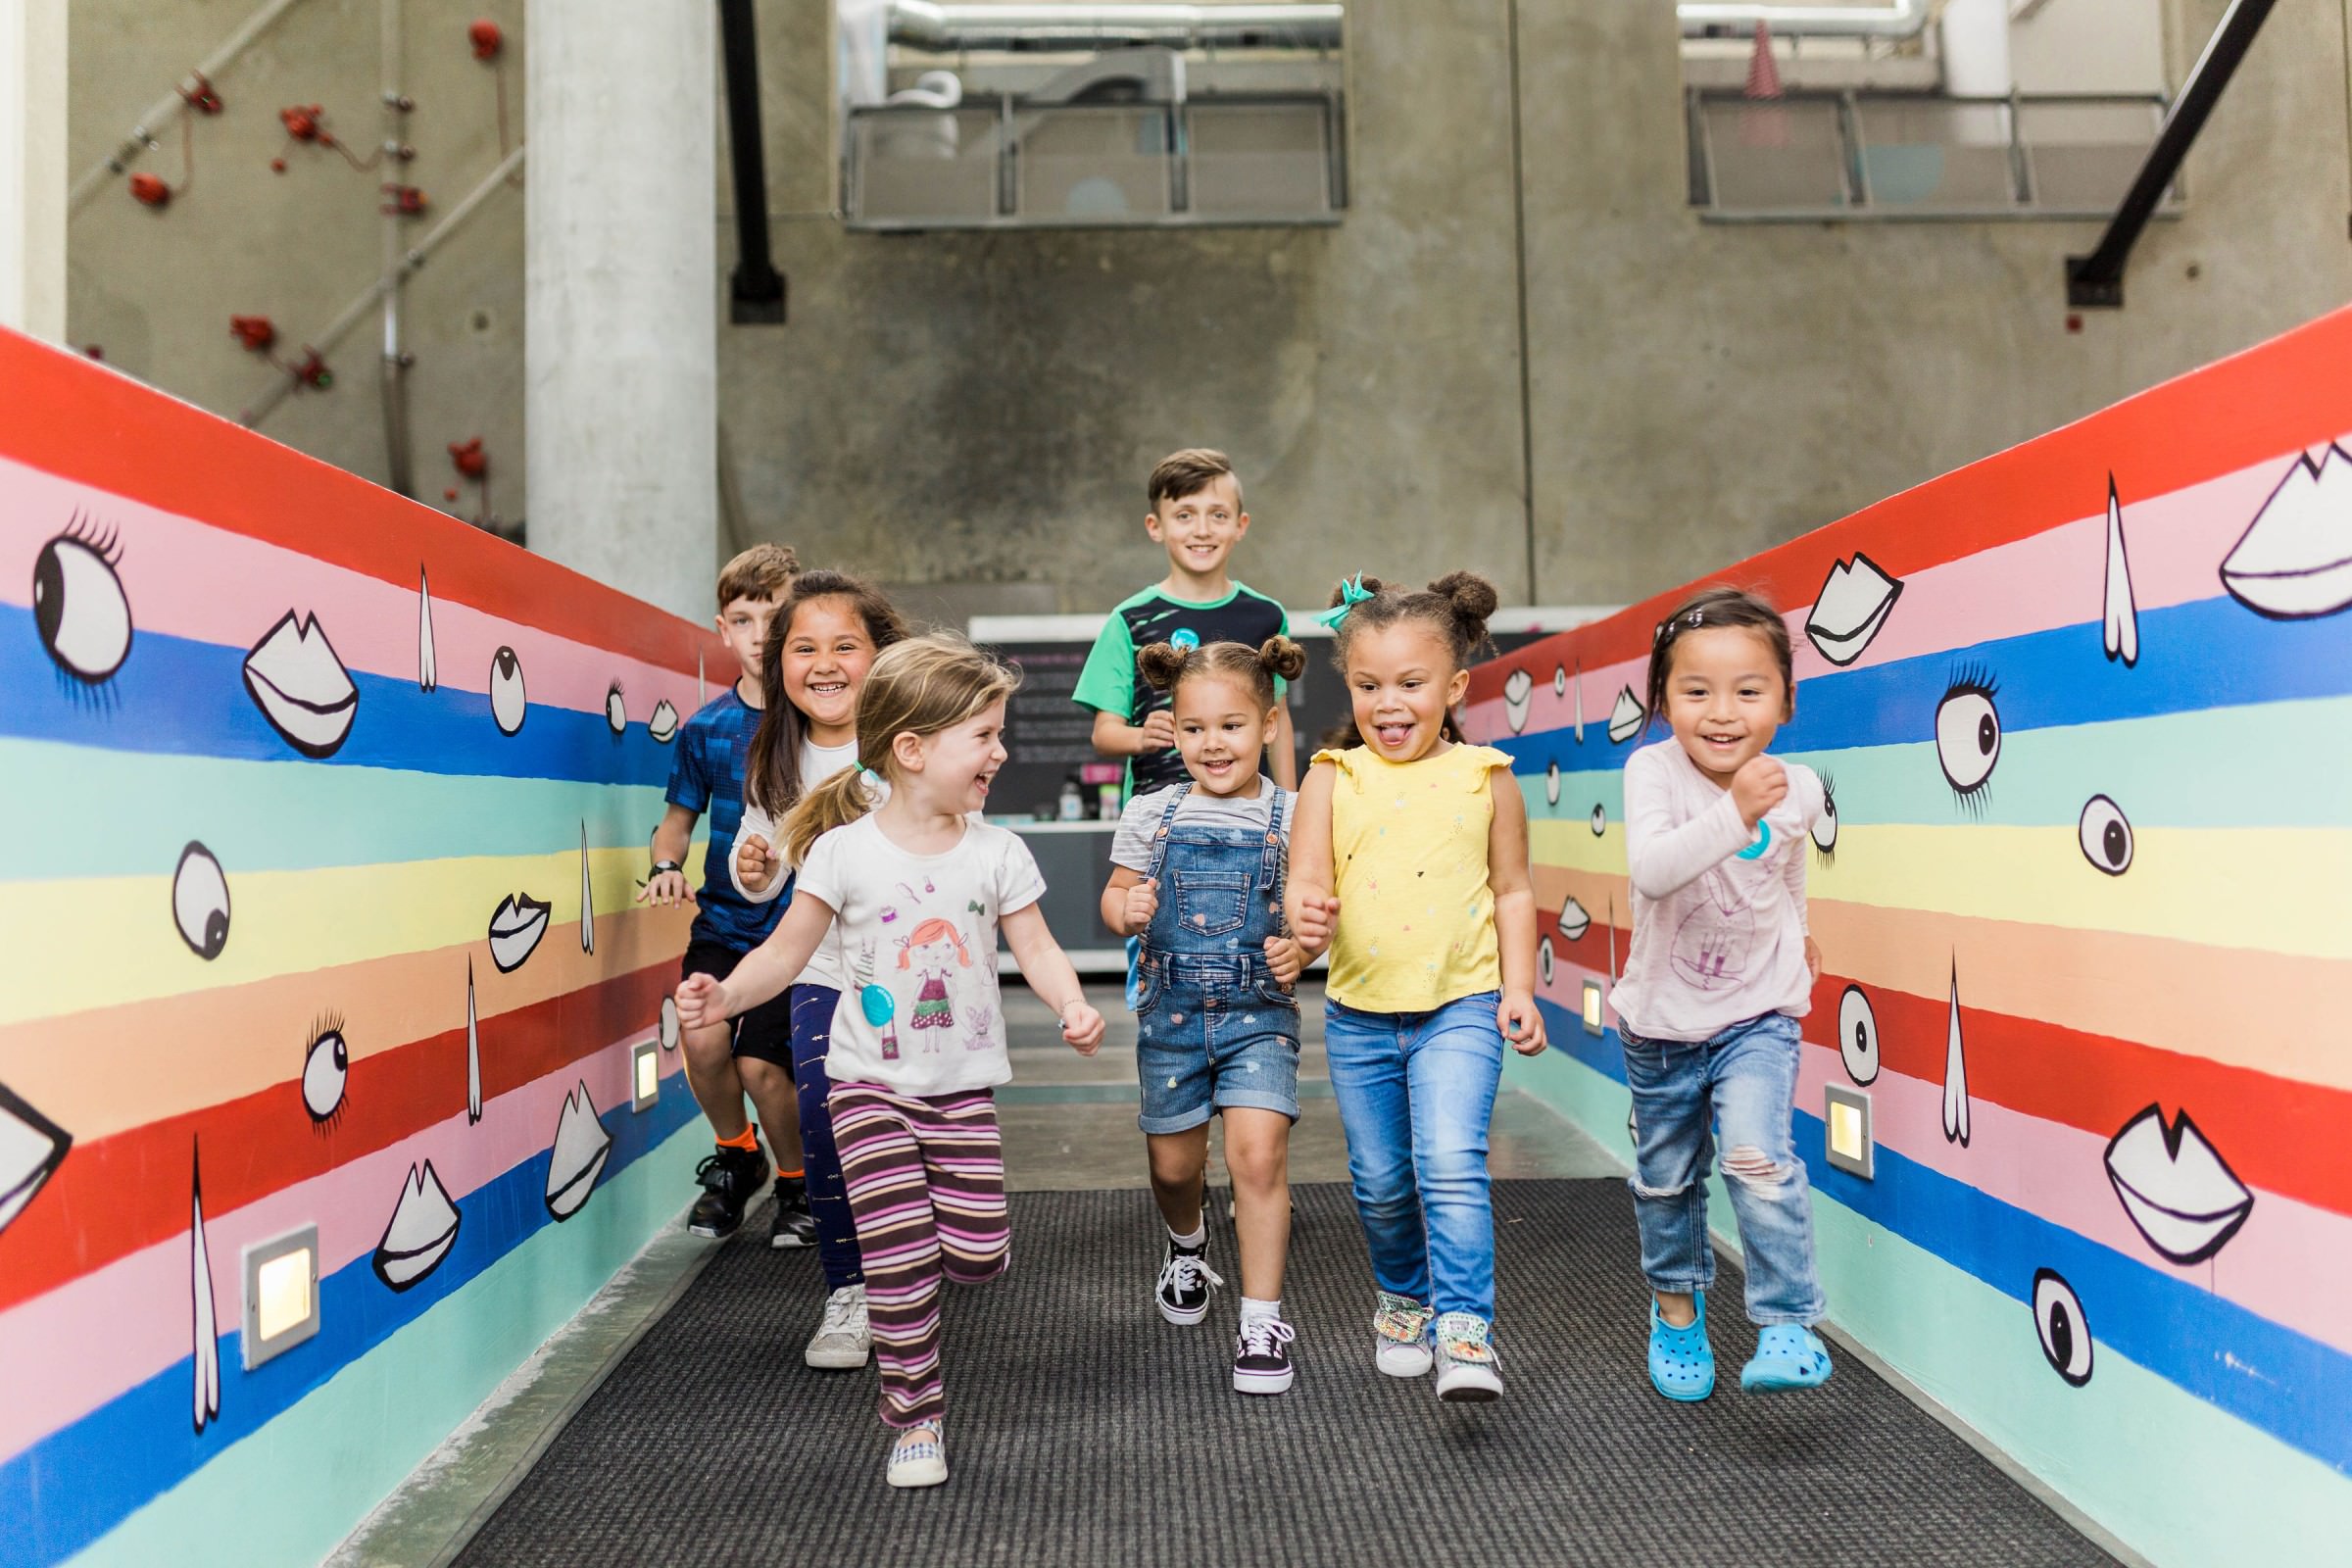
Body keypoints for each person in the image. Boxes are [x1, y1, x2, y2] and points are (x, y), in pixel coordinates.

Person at [678, 635, 1107, 1490]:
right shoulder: (843, 852)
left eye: (998, 733)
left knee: (980, 1253)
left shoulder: (997, 852)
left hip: (961, 1093)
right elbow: (788, 951)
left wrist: (1072, 1003)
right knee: (901, 1260)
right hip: (865, 1084)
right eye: (983, 736)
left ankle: (934, 1266)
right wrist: (724, 996)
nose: (1001, 751)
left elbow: (1039, 945)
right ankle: (916, 1419)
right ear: (912, 750)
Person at [1287, 570, 1546, 1402]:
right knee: (1381, 1181)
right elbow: (1303, 883)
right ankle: (1403, 1298)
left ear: (1455, 686)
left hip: (1461, 1005)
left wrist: (1519, 987)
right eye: (1369, 685)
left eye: (1411, 683)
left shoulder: (1487, 775)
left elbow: (1512, 888)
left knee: (1450, 1162)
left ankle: (1466, 1331)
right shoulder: (1331, 775)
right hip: (1361, 1015)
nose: (1389, 704)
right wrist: (1307, 920)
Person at [1613, 586, 1834, 1401]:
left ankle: (1786, 1324)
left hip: (1759, 1011)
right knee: (1668, 1180)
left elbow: (1789, 866)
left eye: (1748, 690)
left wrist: (1800, 931)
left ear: (1786, 697)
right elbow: (1654, 870)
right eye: (1695, 691)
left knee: (1757, 1158)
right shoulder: (1653, 770)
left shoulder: (1800, 784)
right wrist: (1737, 811)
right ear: (1663, 698)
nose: (1722, 712)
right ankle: (1676, 1311)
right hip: (1662, 1022)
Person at [1100, 637, 1310, 1395]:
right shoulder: (1151, 811)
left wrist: (1302, 949)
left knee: (1257, 1158)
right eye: (1193, 729)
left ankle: (1261, 1322)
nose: (1212, 744)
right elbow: (1111, 901)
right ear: (1172, 730)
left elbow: (1316, 913)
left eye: (1231, 726)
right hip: (1173, 1019)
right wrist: (1129, 908)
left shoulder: (1296, 814)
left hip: (1260, 1012)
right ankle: (1187, 1245)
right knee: (1173, 1165)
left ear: (1270, 725)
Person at [727, 570, 909, 1368]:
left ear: (881, 657)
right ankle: (849, 1292)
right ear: (779, 664)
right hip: (823, 971)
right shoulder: (776, 749)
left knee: (905, 1130)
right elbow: (760, 870)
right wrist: (754, 862)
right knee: (827, 1121)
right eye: (804, 647)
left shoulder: (909, 737)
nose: (824, 663)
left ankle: (909, 1253)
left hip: (916, 972)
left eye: (845, 645)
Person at [1076, 449, 1299, 1001]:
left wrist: (1295, 803)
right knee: (1161, 956)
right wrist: (1141, 735)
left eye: (1217, 514)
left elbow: (1282, 718)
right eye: (1185, 515)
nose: (1202, 529)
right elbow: (1104, 731)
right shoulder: (1128, 619)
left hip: (1255, 822)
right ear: (1156, 527)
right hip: (1163, 827)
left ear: (1240, 525)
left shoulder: (1265, 615)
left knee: (1254, 957)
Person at [638, 542, 808, 1245]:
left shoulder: (821, 720)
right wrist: (664, 868)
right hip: (723, 925)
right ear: (723, 628)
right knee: (702, 1041)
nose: (761, 633)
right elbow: (673, 827)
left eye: (776, 616)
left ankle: (800, 1186)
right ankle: (740, 1159)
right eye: (745, 618)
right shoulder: (705, 729)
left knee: (763, 1067)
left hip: (800, 927)